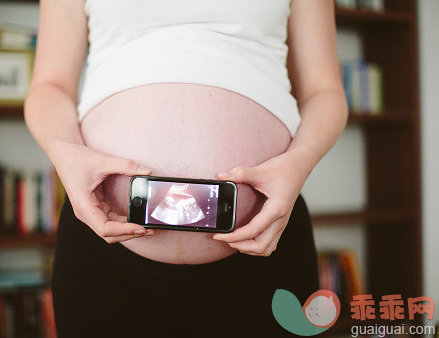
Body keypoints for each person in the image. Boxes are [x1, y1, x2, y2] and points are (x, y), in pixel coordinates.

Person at [24, 0, 348, 336]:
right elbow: (50, 85)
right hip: (102, 252)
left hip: (267, 241)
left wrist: (300, 161)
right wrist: (64, 153)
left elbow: (324, 91)